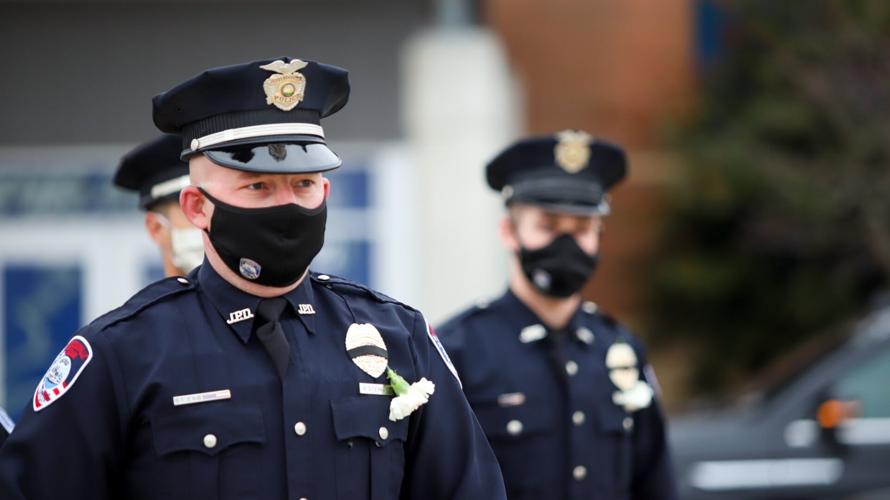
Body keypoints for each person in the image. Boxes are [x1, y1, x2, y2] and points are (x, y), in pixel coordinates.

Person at [0, 57, 506, 500]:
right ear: (196, 207)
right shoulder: (123, 352)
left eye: (304, 185)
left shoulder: (400, 336)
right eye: (258, 186)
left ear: (325, 191)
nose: (287, 206)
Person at [438, 131, 677, 500]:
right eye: (548, 227)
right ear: (509, 232)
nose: (565, 245)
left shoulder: (619, 347)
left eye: (581, 230)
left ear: (599, 235)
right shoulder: (457, 351)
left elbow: (656, 481)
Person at [114, 134, 204, 276]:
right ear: (155, 228)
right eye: (195, 208)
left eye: (215, 207)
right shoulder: (147, 299)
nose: (208, 221)